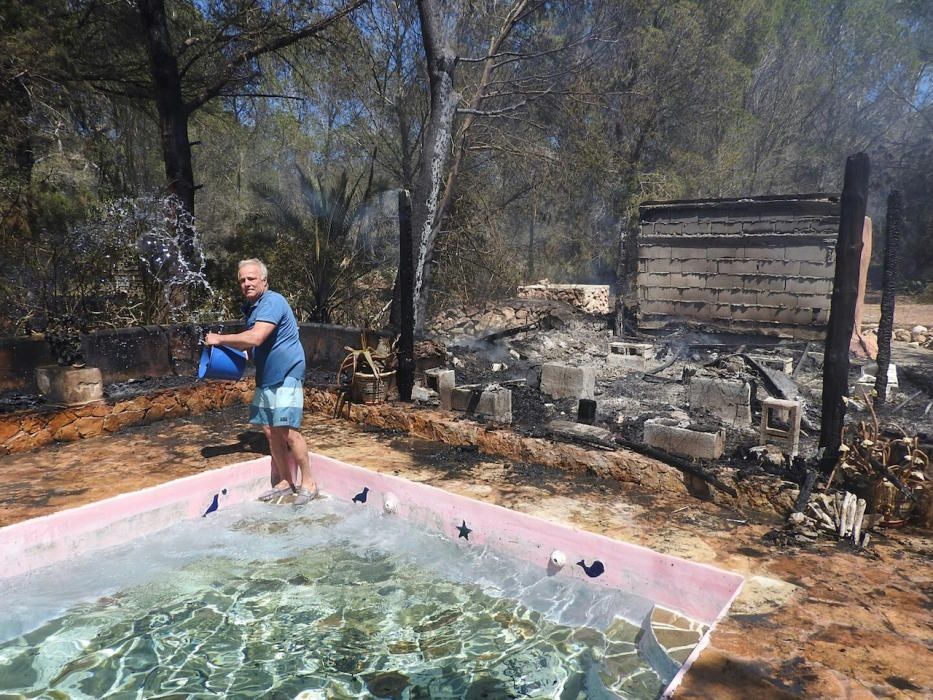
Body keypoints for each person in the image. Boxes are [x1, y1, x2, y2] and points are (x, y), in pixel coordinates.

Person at [205, 258, 317, 505]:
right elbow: (253, 347)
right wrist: (228, 358)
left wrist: (220, 340)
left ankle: (309, 483)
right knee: (270, 431)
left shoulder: (272, 301)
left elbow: (256, 338)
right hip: (267, 375)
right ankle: (285, 483)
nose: (246, 283)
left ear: (264, 280)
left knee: (287, 430)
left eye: (251, 278)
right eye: (242, 280)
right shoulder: (253, 309)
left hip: (288, 372)